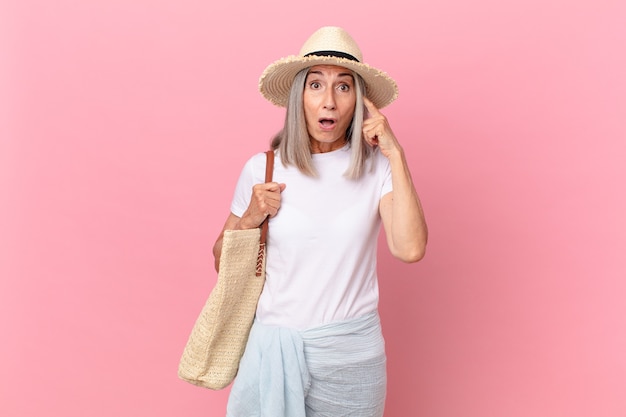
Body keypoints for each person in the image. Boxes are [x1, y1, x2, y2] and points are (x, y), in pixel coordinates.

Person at [212, 26, 428, 417]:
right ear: (299, 97)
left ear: (359, 101)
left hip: (351, 359)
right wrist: (249, 219)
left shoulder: (376, 169)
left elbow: (410, 249)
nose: (329, 101)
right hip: (273, 353)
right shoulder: (263, 169)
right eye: (316, 86)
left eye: (344, 87)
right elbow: (221, 262)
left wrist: (396, 154)